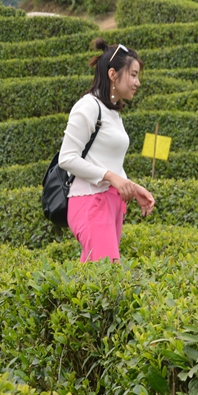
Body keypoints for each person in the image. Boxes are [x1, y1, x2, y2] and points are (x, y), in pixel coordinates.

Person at [59, 39, 155, 263]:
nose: (137, 82)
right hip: (91, 202)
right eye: (132, 75)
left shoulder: (112, 113)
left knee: (94, 284)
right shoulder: (88, 106)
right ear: (113, 74)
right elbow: (67, 157)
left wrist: (132, 186)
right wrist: (112, 177)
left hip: (110, 204)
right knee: (108, 275)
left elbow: (107, 160)